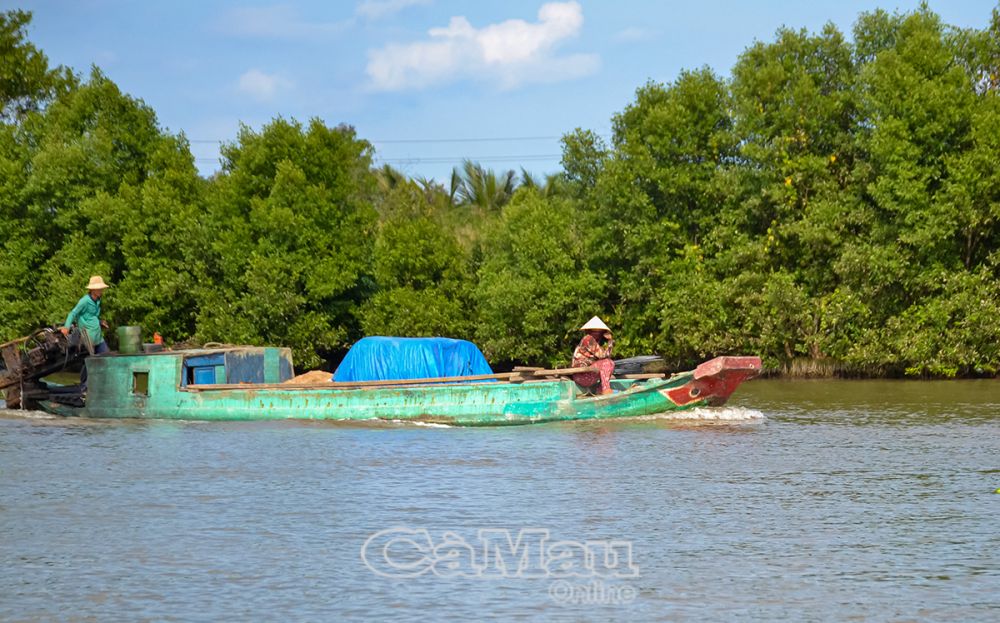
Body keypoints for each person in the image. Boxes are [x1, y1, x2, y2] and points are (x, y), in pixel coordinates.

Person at [61, 275, 110, 354]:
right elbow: (72, 313)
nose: (101, 290)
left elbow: (92, 316)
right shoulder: (85, 301)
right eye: (99, 289)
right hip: (89, 338)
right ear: (92, 289)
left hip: (98, 337)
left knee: (107, 358)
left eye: (101, 288)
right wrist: (66, 327)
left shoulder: (98, 300)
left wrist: (100, 322)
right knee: (92, 362)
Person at [571, 316, 615, 395]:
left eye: (599, 332)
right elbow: (603, 356)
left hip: (588, 374)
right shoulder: (588, 339)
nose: (597, 334)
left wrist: (609, 343)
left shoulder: (595, 342)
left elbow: (607, 356)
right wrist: (610, 341)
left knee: (611, 363)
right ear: (589, 331)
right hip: (581, 375)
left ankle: (601, 389)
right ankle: (605, 390)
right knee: (606, 363)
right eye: (595, 332)